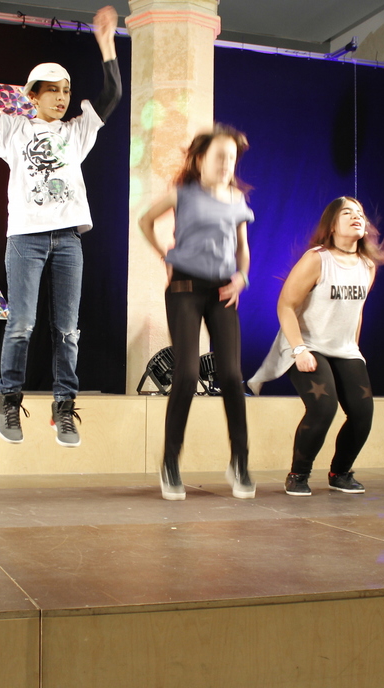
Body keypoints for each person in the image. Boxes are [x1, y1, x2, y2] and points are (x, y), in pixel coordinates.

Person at [0, 6, 121, 447]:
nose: (62, 97)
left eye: (66, 90)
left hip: (68, 238)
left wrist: (106, 44)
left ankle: (63, 407)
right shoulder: (14, 130)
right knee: (22, 324)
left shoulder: (76, 133)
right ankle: (8, 400)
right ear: (33, 95)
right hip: (25, 238)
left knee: (68, 329)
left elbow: (111, 95)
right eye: (52, 90)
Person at [249, 197, 384, 497]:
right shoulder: (317, 259)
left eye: (360, 213)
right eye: (347, 212)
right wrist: (299, 350)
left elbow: (356, 311)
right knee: (323, 407)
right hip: (306, 344)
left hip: (344, 349)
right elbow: (285, 305)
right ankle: (298, 474)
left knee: (363, 413)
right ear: (332, 225)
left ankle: (340, 473)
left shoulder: (367, 266)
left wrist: (355, 348)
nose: (356, 217)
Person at [139, 125, 254, 501]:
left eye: (231, 158)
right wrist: (166, 255)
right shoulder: (183, 193)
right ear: (201, 159)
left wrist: (241, 278)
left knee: (232, 376)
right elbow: (145, 221)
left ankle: (240, 461)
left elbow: (242, 248)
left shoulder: (237, 199)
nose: (226, 163)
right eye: (219, 156)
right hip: (185, 288)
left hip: (222, 291)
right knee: (187, 374)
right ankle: (170, 462)